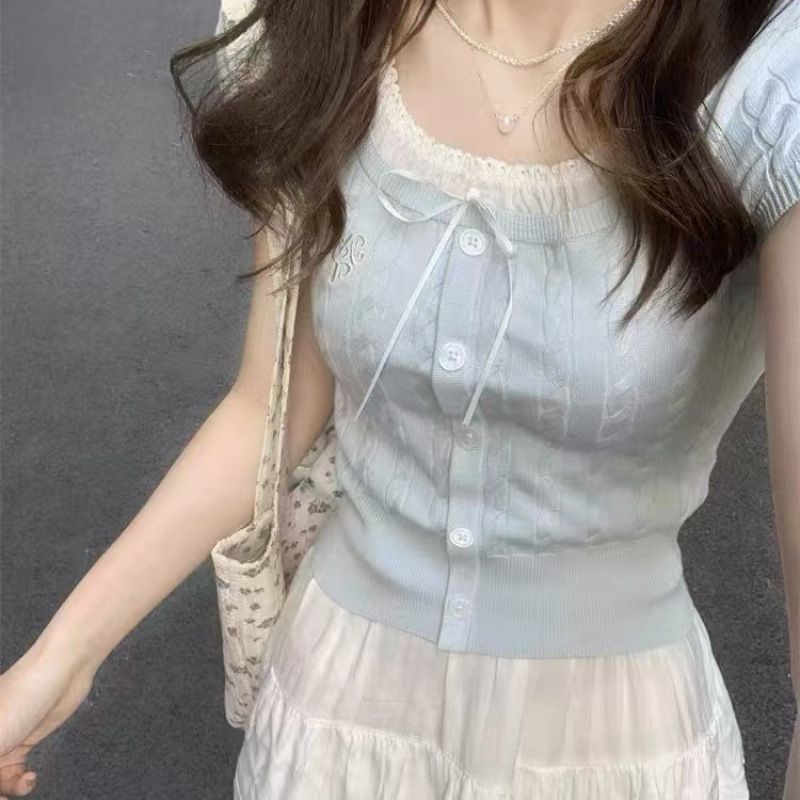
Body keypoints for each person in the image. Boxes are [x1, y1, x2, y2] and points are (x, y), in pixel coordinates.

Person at [2, 0, 800, 797]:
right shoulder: (323, 28)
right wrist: (55, 665)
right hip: (329, 725)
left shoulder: (764, 73)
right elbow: (268, 409)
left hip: (617, 749)